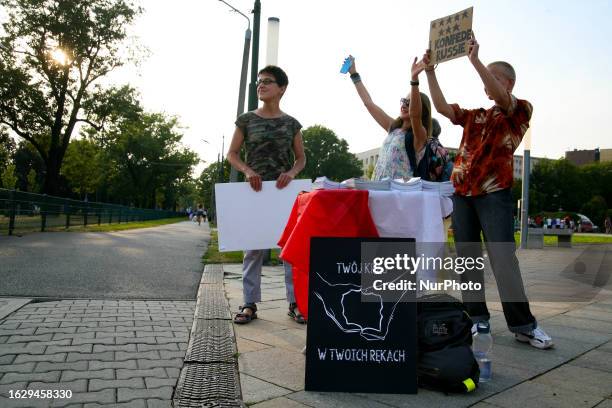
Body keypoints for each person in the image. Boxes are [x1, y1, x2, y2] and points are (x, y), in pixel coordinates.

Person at [422, 34, 553, 349]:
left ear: (508, 83)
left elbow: (501, 96)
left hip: (494, 193)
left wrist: (475, 61)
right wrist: (430, 72)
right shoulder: (475, 116)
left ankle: (523, 324)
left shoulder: (519, 110)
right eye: (485, 77)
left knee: (502, 258)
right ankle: (477, 319)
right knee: (468, 260)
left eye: (494, 77)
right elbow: (441, 108)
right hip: (463, 193)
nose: (486, 83)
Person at [227, 65, 306, 325]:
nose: (261, 85)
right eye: (259, 81)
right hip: (255, 191)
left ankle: (295, 303)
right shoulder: (246, 120)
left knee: (288, 249)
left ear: (281, 88)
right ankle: (249, 303)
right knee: (253, 249)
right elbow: (232, 154)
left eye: (267, 81)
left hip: (283, 193)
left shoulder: (291, 123)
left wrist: (292, 173)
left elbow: (301, 159)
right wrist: (247, 171)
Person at [346, 56, 433, 180]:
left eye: (409, 103)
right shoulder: (393, 127)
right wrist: (354, 74)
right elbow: (368, 103)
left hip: (399, 195)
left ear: (421, 110)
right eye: (404, 101)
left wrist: (414, 80)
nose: (404, 105)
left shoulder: (419, 134)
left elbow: (415, 116)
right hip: (379, 190)